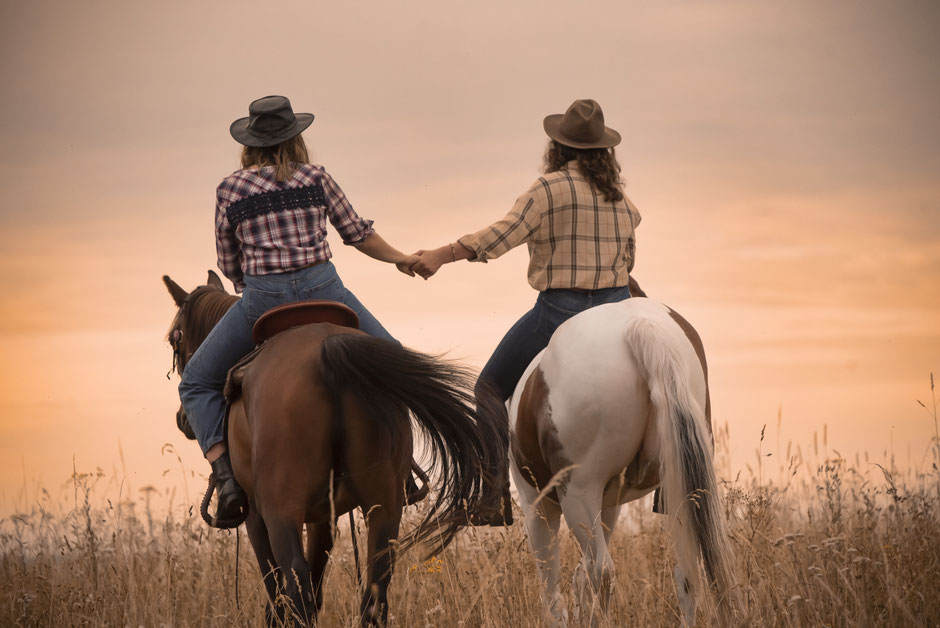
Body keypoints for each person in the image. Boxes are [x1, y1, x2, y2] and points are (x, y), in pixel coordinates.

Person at [180, 95, 418, 523]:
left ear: (250, 144)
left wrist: (249, 286)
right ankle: (403, 470)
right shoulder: (316, 177)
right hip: (325, 291)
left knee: (196, 382)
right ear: (296, 138)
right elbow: (358, 235)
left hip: (262, 300)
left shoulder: (229, 188)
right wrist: (400, 258)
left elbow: (227, 259)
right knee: (396, 360)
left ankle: (228, 481)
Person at [411, 99, 642, 525]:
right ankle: (668, 482)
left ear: (559, 146)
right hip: (617, 310)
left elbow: (502, 235)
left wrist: (443, 255)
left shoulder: (547, 190)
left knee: (487, 387)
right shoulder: (623, 204)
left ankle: (493, 494)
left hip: (561, 311)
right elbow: (626, 268)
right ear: (605, 152)